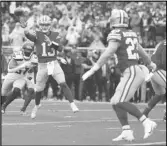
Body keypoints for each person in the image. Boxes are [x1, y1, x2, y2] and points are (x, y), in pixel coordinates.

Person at [82, 9, 157, 141]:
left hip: (131, 71)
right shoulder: (131, 34)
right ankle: (126, 131)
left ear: (114, 20)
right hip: (132, 71)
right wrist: (150, 63)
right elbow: (141, 51)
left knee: (120, 101)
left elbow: (109, 52)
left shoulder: (116, 33)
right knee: (115, 102)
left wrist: (94, 68)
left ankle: (146, 122)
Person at [22, 15, 79, 119]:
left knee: (63, 83)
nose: (44, 26)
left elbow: (61, 48)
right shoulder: (37, 34)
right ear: (39, 25)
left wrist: (51, 43)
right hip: (42, 65)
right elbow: (28, 36)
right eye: (42, 25)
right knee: (38, 90)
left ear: (50, 25)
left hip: (53, 63)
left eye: (46, 24)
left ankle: (72, 104)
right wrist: (25, 29)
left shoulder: (55, 35)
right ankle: (36, 106)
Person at [1, 42, 37, 115]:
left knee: (17, 90)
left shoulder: (34, 58)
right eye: (26, 50)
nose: (27, 52)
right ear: (22, 50)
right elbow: (10, 69)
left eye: (29, 50)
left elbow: (42, 64)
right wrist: (22, 66)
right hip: (12, 75)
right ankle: (2, 104)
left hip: (22, 76)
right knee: (3, 93)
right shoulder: (17, 55)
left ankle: (4, 106)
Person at [142, 40, 166, 121]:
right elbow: (164, 61)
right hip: (157, 69)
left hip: (153, 70)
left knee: (159, 94)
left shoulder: (162, 43)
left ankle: (144, 113)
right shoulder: (165, 44)